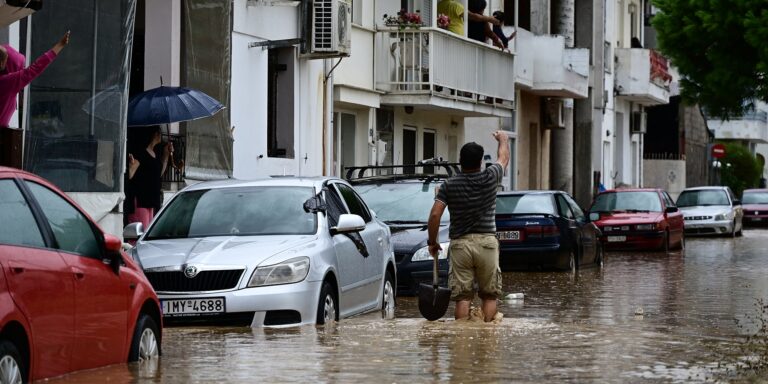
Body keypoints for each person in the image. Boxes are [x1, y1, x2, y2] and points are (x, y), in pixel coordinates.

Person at [427, 131, 510, 322]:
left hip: (460, 245)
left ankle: (461, 344)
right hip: (487, 244)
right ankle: (488, 341)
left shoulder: (449, 185)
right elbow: (503, 158)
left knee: (463, 298)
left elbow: (434, 214)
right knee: (489, 295)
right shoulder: (491, 177)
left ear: (460, 161)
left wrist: (433, 242)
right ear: (481, 162)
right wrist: (503, 139)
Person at [0, 31, 70, 128]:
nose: (22, 69)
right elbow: (34, 69)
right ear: (6, 65)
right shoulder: (7, 82)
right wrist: (59, 46)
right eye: (21, 67)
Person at [125, 125, 173, 229]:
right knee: (140, 234)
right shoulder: (141, 153)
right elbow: (129, 175)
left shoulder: (154, 153)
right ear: (155, 134)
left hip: (151, 200)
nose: (161, 135)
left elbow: (158, 174)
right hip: (141, 201)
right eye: (160, 132)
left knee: (148, 232)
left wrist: (166, 154)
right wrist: (131, 166)